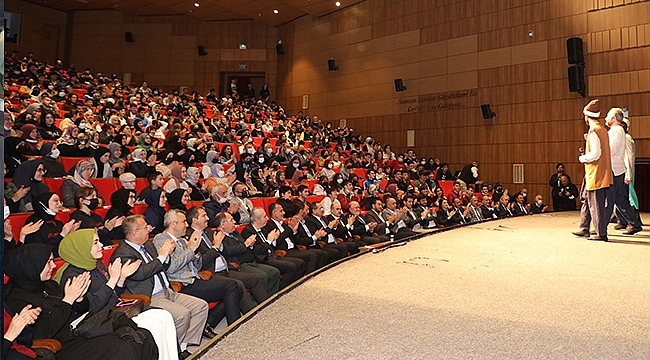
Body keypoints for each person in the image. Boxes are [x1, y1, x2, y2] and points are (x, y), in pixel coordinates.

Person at [5, 244, 155, 360]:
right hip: (61, 343)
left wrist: (79, 299)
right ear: (31, 266)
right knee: (121, 348)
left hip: (80, 329)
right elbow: (43, 331)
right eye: (48, 262)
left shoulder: (49, 285)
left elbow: (77, 310)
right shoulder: (15, 298)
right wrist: (68, 300)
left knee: (141, 336)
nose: (53, 266)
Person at [55, 229, 179, 360]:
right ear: (82, 247)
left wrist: (120, 280)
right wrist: (113, 280)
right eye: (96, 243)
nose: (101, 245)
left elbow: (114, 295)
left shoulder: (96, 265)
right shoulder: (72, 276)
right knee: (155, 326)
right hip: (97, 322)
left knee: (164, 316)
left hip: (113, 311)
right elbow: (91, 307)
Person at [110, 215, 209, 359]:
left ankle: (182, 346)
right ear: (135, 232)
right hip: (149, 297)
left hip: (167, 289)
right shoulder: (123, 253)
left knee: (200, 306)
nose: (149, 229)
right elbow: (140, 274)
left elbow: (164, 266)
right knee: (182, 314)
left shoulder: (148, 245)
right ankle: (172, 352)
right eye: (145, 227)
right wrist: (162, 257)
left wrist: (166, 256)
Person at [153, 210, 244, 327]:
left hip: (195, 277)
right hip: (182, 283)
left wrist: (195, 252)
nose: (186, 224)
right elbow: (171, 267)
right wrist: (190, 250)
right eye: (184, 221)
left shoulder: (181, 240)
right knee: (231, 286)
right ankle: (235, 327)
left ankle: (210, 322)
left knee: (237, 288)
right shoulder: (161, 239)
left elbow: (197, 265)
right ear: (173, 224)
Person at [210, 209, 281, 296]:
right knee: (263, 276)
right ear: (223, 224)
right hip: (239, 264)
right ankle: (263, 300)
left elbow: (245, 245)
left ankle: (271, 296)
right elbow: (229, 251)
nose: (234, 222)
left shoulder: (235, 233)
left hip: (251, 260)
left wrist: (250, 244)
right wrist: (246, 245)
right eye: (231, 220)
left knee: (274, 272)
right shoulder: (219, 236)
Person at [573, 100, 614, 242]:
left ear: (586, 116)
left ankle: (601, 233)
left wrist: (582, 158)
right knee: (586, 198)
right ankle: (584, 227)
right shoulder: (601, 129)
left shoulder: (593, 131)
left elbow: (596, 154)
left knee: (596, 204)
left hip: (596, 173)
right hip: (596, 173)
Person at [241, 208, 306, 289]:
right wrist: (269, 240)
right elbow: (257, 250)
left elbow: (272, 245)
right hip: (262, 259)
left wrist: (274, 239)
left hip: (272, 255)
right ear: (257, 219)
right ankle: (281, 289)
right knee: (291, 267)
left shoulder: (263, 229)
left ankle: (293, 287)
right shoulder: (248, 231)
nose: (267, 218)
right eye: (265, 217)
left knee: (300, 263)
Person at [604, 108, 642, 235]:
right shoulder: (620, 132)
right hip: (619, 169)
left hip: (614, 169)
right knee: (620, 199)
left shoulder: (615, 132)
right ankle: (634, 223)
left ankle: (601, 227)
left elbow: (612, 151)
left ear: (614, 118)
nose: (606, 118)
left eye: (608, 116)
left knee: (609, 200)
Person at [23, 192, 80, 257]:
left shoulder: (58, 223)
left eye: (60, 201)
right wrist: (62, 234)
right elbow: (41, 250)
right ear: (44, 202)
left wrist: (70, 234)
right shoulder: (34, 223)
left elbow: (64, 246)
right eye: (56, 201)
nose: (60, 204)